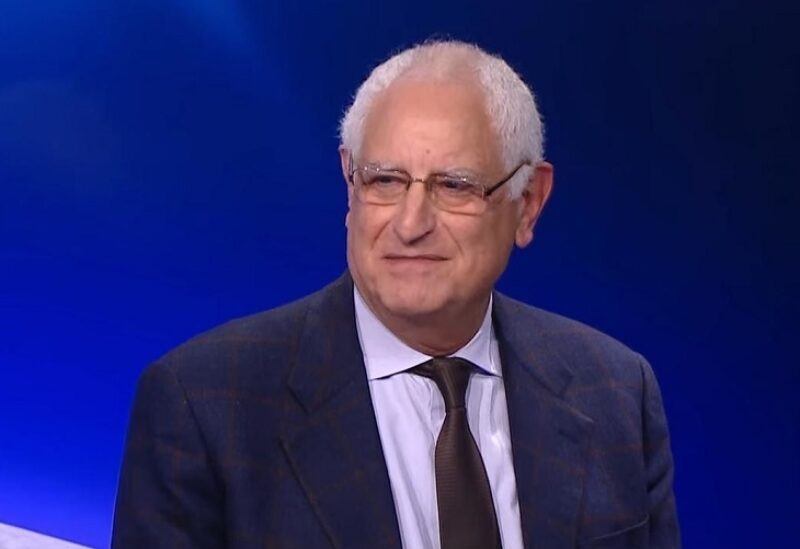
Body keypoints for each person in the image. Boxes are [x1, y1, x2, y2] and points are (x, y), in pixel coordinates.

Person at [112, 40, 680, 548]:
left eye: (454, 185)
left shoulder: (616, 393)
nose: (410, 224)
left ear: (528, 203)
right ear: (349, 182)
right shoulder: (205, 406)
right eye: (384, 180)